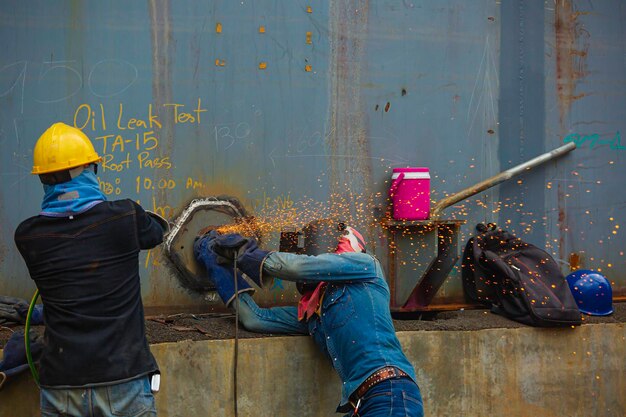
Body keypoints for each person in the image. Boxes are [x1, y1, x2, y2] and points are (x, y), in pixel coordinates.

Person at [194, 221, 424, 417]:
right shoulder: (315, 312)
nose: (313, 262)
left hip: (390, 393)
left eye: (317, 257)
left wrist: (244, 253)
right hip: (363, 403)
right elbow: (254, 318)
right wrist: (213, 261)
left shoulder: (365, 267)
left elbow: (297, 268)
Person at [14, 122, 166, 417]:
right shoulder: (124, 217)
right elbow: (156, 233)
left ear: (44, 179)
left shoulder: (28, 236)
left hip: (61, 384)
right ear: (87, 171)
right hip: (123, 379)